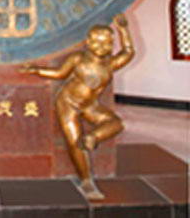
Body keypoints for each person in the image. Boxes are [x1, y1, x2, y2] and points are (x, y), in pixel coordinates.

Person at [20, 14, 134, 200]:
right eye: (96, 42)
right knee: (74, 142)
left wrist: (124, 30)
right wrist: (37, 70)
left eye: (106, 43)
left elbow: (128, 52)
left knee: (116, 124)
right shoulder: (78, 59)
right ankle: (86, 181)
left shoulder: (110, 64)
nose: (101, 46)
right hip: (68, 104)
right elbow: (59, 74)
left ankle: (92, 138)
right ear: (88, 42)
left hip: (90, 105)